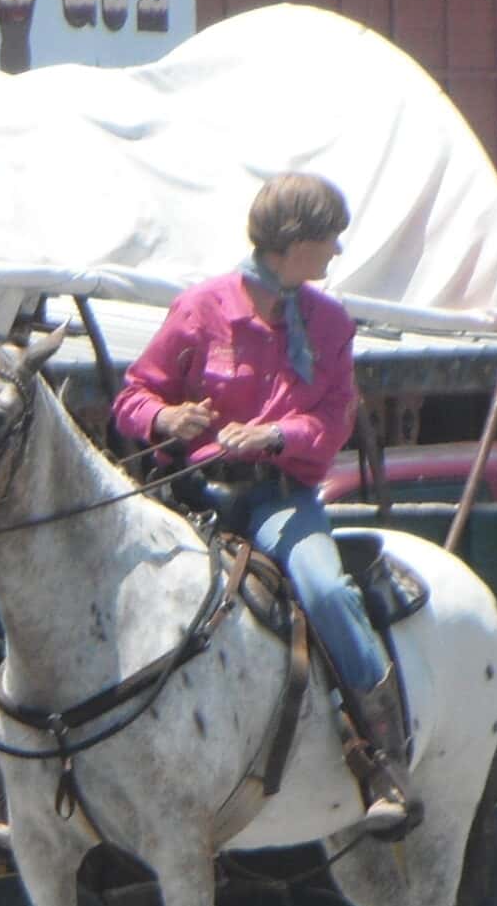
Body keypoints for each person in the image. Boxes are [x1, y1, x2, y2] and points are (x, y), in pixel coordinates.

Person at [111, 172, 415, 837]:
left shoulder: (331, 323)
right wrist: (168, 421)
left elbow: (334, 419)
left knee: (327, 591)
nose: (336, 252)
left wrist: (275, 435)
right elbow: (132, 397)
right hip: (192, 501)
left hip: (279, 500)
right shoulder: (200, 310)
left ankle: (383, 753)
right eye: (328, 239)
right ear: (294, 243)